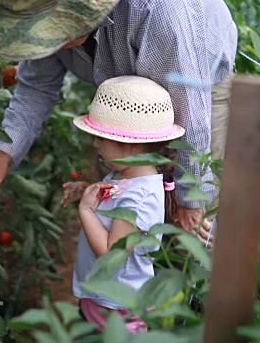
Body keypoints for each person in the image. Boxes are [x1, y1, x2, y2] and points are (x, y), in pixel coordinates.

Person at [0, 0, 238, 244]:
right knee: (129, 215)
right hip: (125, 104)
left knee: (198, 228)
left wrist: (189, 200)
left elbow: (189, 113)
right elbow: (36, 89)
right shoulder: (41, 3)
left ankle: (203, 294)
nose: (45, 43)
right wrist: (3, 155)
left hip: (198, 88)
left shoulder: (155, 2)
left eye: (49, 31)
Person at [68, 75, 183, 333]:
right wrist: (86, 192)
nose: (95, 143)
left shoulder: (139, 199)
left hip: (116, 309)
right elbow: (110, 208)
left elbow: (112, 254)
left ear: (128, 144)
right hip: (103, 301)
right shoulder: (126, 176)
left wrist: (85, 210)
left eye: (101, 137)